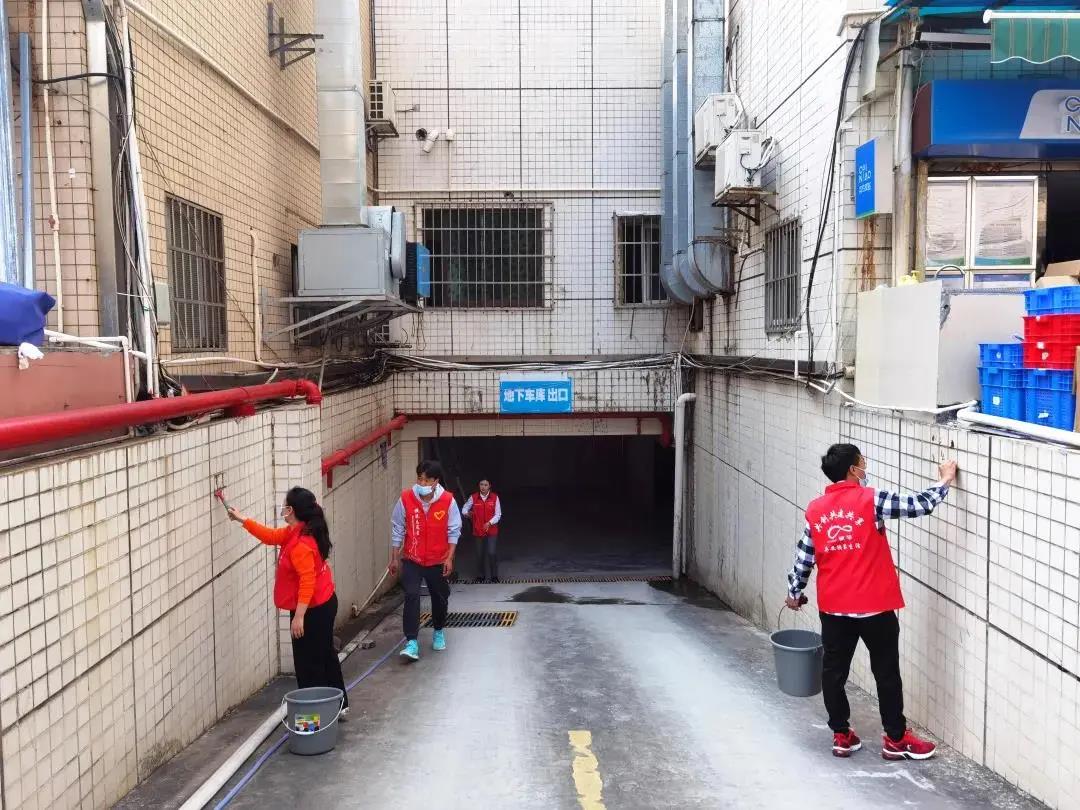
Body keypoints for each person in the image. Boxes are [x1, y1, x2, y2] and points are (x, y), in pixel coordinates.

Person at [785, 444, 958, 761]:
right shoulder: (871, 499)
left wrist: (794, 594)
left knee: (834, 673)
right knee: (886, 673)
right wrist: (945, 479)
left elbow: (804, 557)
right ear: (853, 469)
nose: (866, 467)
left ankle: (841, 735)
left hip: (834, 609)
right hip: (875, 607)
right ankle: (895, 739)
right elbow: (920, 505)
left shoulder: (816, 510)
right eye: (862, 462)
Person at [228, 487, 349, 717]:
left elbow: (307, 582)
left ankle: (316, 716)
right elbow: (270, 536)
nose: (282, 508)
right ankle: (338, 705)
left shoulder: (301, 544)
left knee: (308, 664)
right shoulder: (298, 531)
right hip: (320, 604)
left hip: (313, 609)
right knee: (324, 655)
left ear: (291, 510)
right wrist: (242, 519)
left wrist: (299, 617)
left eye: (285, 505)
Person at [389, 460, 462, 661]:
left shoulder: (448, 501)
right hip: (412, 559)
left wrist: (449, 558)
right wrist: (394, 558)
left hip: (437, 560)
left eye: (427, 480)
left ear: (436, 481)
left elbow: (454, 531)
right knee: (411, 595)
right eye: (420, 478)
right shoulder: (406, 498)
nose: (422, 483)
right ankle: (411, 642)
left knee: (440, 597)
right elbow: (397, 528)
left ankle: (438, 630)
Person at [461, 478, 502, 582]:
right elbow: (464, 508)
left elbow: (498, 514)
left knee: (491, 552)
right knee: (480, 554)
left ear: (489, 486)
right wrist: (467, 513)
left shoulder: (495, 497)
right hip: (478, 530)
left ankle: (494, 576)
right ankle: (480, 576)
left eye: (485, 485)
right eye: (481, 484)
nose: (483, 487)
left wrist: (489, 523)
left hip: (491, 530)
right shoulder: (474, 497)